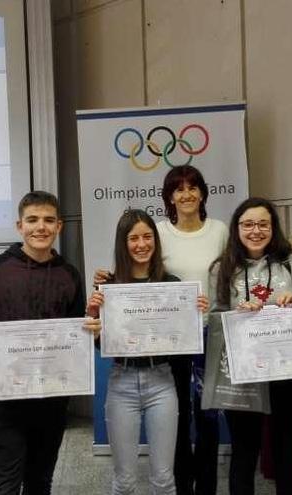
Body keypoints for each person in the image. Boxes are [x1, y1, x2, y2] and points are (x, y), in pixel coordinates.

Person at [96, 165, 228, 495]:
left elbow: (227, 279)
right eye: (178, 189)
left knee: (209, 419)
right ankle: (182, 487)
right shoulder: (158, 231)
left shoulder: (220, 230)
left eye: (193, 187)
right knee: (179, 421)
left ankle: (206, 488)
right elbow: (136, 282)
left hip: (208, 334)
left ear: (202, 192)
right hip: (170, 347)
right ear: (169, 196)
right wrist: (106, 291)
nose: (186, 194)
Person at [0, 190, 87, 495]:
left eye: (48, 220)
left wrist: (90, 327)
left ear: (59, 227)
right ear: (19, 226)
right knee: (4, 486)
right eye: (32, 220)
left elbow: (75, 329)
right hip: (2, 402)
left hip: (51, 401)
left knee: (40, 483)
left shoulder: (70, 274)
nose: (40, 227)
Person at [85, 209, 210, 494]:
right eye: (133, 238)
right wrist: (94, 320)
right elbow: (99, 344)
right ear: (123, 244)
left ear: (155, 240)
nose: (141, 244)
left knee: (164, 479)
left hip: (162, 381)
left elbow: (184, 345)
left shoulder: (173, 284)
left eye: (147, 236)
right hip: (122, 381)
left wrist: (193, 316)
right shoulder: (109, 287)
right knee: (124, 480)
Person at [208, 197, 292, 495]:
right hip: (243, 373)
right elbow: (213, 319)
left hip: (286, 371)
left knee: (285, 449)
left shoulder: (289, 263)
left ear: (273, 228)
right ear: (236, 228)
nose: (256, 230)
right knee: (244, 450)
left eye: (263, 224)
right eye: (248, 224)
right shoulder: (221, 268)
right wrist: (236, 315)